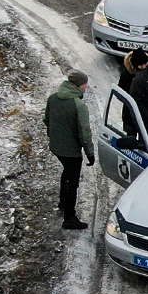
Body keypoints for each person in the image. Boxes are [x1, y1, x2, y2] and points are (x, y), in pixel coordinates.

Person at [45, 69, 96, 229]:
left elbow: (47, 120)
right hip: (71, 151)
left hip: (56, 147)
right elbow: (85, 133)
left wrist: (55, 137)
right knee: (72, 182)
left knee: (66, 173)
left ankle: (62, 201)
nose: (86, 86)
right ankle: (69, 218)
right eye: (84, 84)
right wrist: (90, 153)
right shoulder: (78, 105)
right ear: (77, 86)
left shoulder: (53, 98)